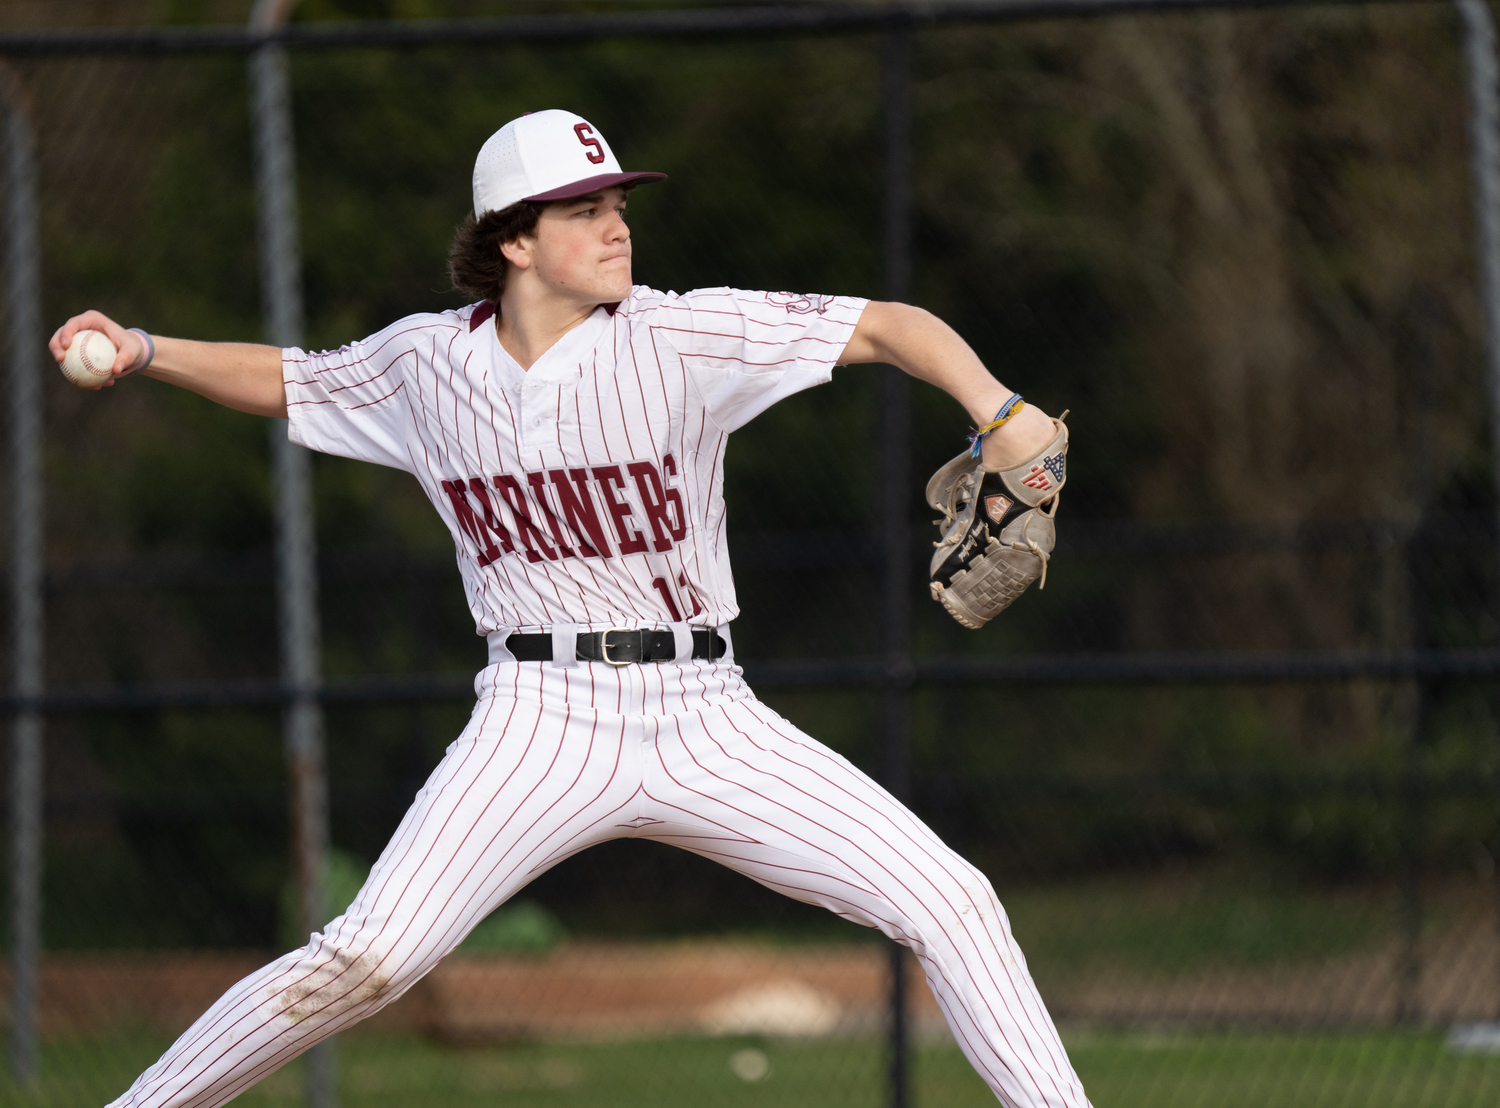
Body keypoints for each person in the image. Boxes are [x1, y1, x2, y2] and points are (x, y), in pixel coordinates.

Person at [53, 109, 1089, 1108]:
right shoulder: (425, 365)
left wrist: (1002, 412)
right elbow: (290, 377)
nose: (616, 225)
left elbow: (886, 327)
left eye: (619, 204)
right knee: (369, 953)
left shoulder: (680, 334)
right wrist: (145, 348)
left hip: (704, 713)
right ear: (512, 239)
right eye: (583, 209)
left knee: (951, 900)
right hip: (538, 716)